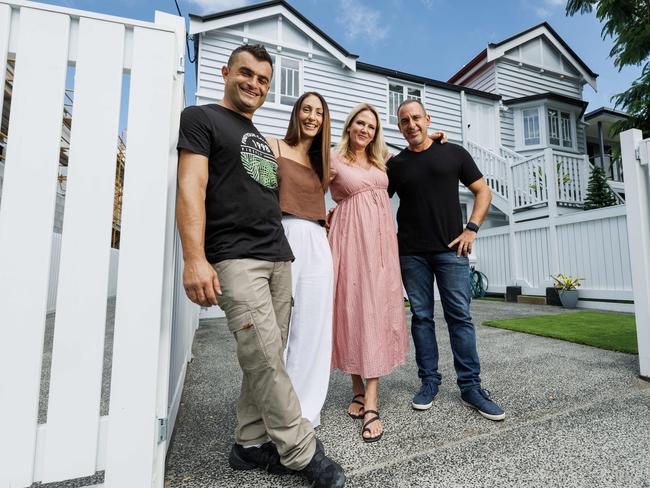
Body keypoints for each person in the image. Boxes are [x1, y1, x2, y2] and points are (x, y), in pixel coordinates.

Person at [176, 44, 345, 487]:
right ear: (226, 72)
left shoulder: (256, 135)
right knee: (268, 356)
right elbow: (190, 187)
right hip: (236, 257)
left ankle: (248, 445)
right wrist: (194, 257)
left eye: (263, 79)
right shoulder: (202, 120)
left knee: (263, 355)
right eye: (246, 74)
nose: (254, 84)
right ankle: (301, 450)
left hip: (278, 256)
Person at [387, 98, 505, 421]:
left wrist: (472, 229)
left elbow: (484, 192)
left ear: (427, 119)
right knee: (422, 317)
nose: (411, 125)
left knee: (460, 317)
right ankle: (429, 382)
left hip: (452, 251)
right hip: (411, 254)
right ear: (399, 127)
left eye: (416, 118)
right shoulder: (396, 166)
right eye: (404, 121)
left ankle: (471, 387)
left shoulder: (453, 153)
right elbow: (375, 197)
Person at [327, 103, 409, 443]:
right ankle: (358, 389)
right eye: (360, 123)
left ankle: (371, 401)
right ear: (349, 126)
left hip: (381, 245)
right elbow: (305, 184)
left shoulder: (381, 159)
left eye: (371, 127)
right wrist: (326, 213)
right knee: (353, 310)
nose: (365, 130)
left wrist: (436, 138)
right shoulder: (332, 158)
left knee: (376, 312)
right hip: (348, 241)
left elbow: (414, 153)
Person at [266, 91, 333, 428]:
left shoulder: (325, 163)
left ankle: (305, 409)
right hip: (284, 233)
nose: (311, 117)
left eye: (318, 112)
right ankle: (275, 409)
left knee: (313, 327)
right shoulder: (273, 146)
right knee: (279, 325)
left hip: (318, 240)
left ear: (324, 120)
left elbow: (374, 156)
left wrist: (435, 139)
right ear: (296, 113)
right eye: (306, 110)